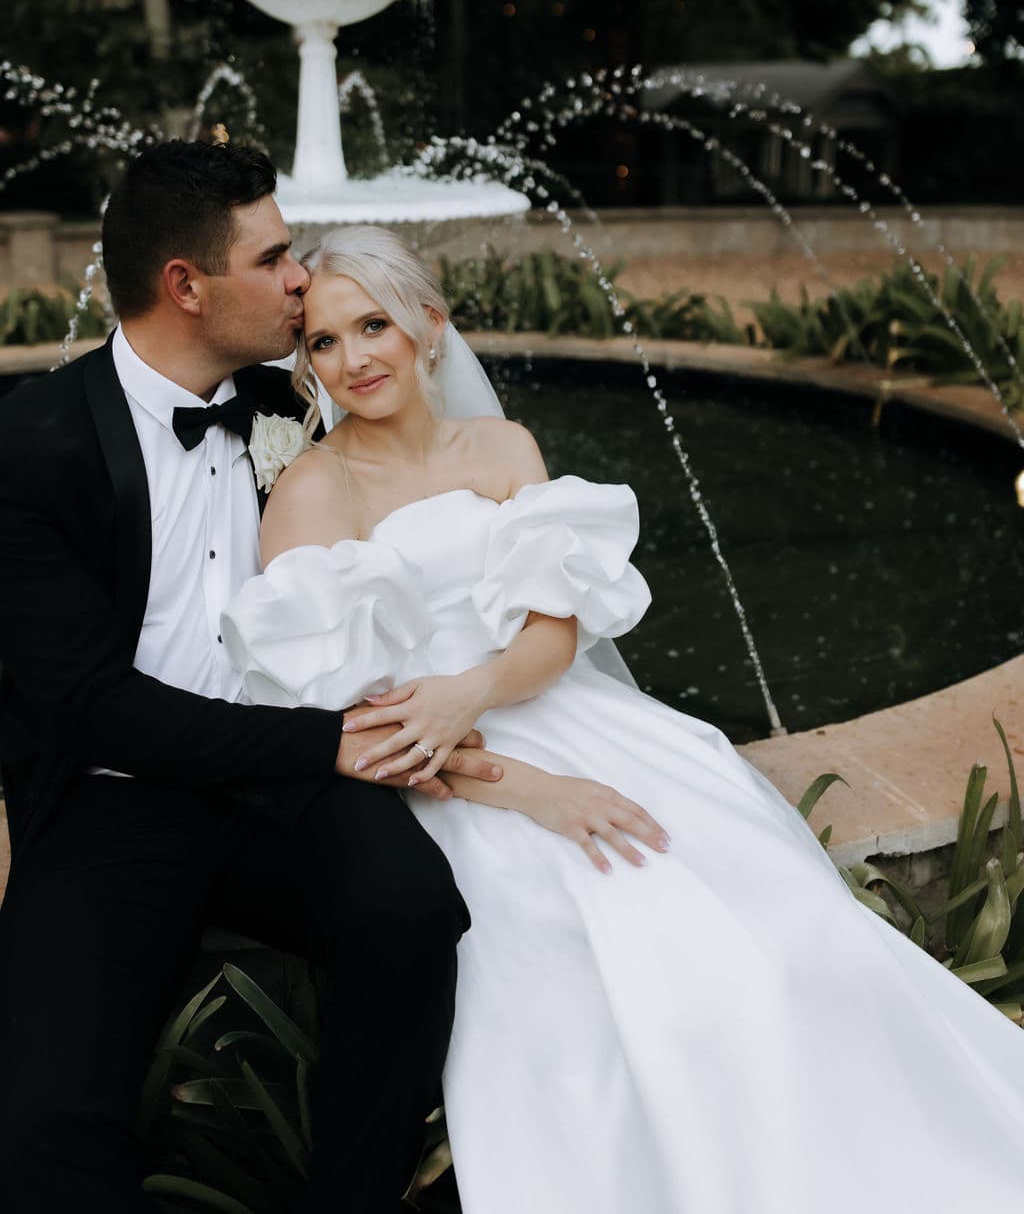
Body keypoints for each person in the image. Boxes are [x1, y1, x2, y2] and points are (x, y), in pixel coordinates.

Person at [224, 224, 1024, 1214]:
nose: (354, 361)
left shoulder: (501, 446)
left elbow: (552, 636)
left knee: (795, 929)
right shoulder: (315, 487)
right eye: (325, 343)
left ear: (429, 325)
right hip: (452, 778)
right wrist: (530, 789)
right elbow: (349, 724)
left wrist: (474, 688)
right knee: (630, 982)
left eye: (373, 325)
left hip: (555, 713)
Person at [0, 142, 504, 1214]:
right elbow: (90, 708)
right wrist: (330, 744)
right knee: (39, 1116)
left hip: (288, 790)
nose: (298, 278)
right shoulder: (30, 444)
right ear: (186, 286)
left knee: (412, 915)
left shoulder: (303, 397)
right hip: (117, 802)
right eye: (273, 257)